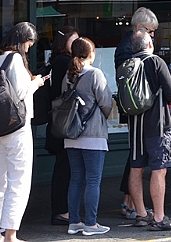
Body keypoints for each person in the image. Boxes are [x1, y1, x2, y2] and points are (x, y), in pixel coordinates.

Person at [0, 22, 45, 242]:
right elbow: (20, 92)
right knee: (18, 181)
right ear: (22, 40)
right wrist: (36, 83)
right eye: (29, 42)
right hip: (17, 128)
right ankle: (11, 234)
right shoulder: (16, 59)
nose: (29, 47)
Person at [125, 30, 171, 231]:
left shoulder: (127, 65)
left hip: (135, 125)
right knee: (159, 170)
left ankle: (140, 213)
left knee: (136, 168)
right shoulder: (156, 62)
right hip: (157, 124)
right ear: (149, 44)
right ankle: (159, 217)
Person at [62, 37, 113, 236]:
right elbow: (106, 102)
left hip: (71, 134)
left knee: (76, 179)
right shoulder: (95, 73)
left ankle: (74, 222)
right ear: (91, 53)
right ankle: (91, 224)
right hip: (93, 134)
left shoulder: (68, 75)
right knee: (93, 181)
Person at [114, 8, 158, 220]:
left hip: (136, 108)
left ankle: (130, 202)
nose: (152, 35)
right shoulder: (128, 48)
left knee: (136, 158)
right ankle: (129, 203)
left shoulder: (127, 45)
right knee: (136, 159)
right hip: (137, 108)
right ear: (139, 28)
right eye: (150, 31)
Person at [45, 26, 79, 226]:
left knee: (63, 167)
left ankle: (62, 210)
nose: (76, 44)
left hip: (57, 121)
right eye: (73, 40)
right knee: (65, 168)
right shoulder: (65, 63)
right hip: (64, 121)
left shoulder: (56, 61)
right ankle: (61, 211)